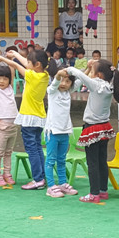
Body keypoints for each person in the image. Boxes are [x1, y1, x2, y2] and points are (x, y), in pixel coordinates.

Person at [66, 59, 119, 203]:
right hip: (104, 127)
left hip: (93, 127)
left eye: (92, 70)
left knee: (93, 163)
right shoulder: (108, 86)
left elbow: (79, 75)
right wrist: (92, 66)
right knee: (102, 161)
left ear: (100, 75)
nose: (90, 72)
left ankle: (94, 193)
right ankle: (103, 191)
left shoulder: (97, 85)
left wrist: (68, 70)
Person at [4, 49, 49, 190]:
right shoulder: (44, 75)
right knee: (37, 147)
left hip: (29, 117)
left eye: (29, 62)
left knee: (32, 149)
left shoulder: (32, 75)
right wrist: (16, 54)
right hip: (39, 117)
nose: (27, 64)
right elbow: (25, 64)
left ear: (37, 64)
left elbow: (17, 66)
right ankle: (42, 177)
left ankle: (38, 179)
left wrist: (2, 59)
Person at [43, 67, 80, 198]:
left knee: (62, 160)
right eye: (62, 80)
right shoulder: (52, 91)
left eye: (67, 81)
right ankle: (51, 186)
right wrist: (59, 75)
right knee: (50, 160)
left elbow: (80, 81)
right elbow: (55, 83)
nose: (64, 83)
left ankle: (63, 184)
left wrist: (88, 69)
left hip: (65, 132)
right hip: (52, 132)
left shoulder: (68, 93)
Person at [0, 56, 20, 187]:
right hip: (2, 126)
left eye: (5, 79)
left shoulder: (10, 89)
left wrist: (9, 60)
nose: (1, 81)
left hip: (13, 126)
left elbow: (12, 73)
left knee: (8, 152)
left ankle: (7, 173)